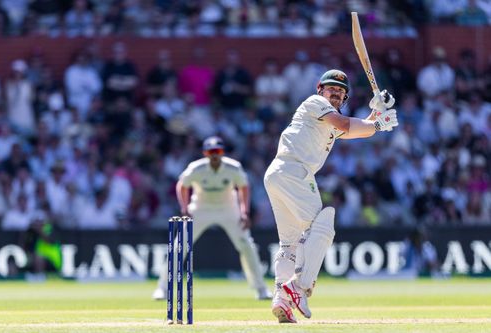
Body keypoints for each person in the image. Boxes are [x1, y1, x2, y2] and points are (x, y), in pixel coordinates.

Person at [264, 69, 399, 323]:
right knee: (323, 224)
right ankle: (299, 287)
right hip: (294, 172)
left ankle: (281, 299)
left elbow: (355, 130)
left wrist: (376, 111)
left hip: (279, 174)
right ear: (320, 90)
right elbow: (346, 124)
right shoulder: (316, 104)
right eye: (331, 89)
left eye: (340, 92)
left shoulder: (328, 120)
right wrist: (378, 123)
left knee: (290, 244)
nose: (335, 94)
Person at [152, 136, 272, 300]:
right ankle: (163, 288)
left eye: (218, 151)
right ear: (205, 153)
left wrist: (244, 212)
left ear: (222, 152)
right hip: (201, 209)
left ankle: (261, 289)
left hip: (228, 209)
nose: (215, 155)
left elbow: (243, 187)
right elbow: (182, 185)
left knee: (247, 246)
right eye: (211, 151)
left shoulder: (233, 167)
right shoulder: (196, 168)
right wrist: (185, 208)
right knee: (180, 246)